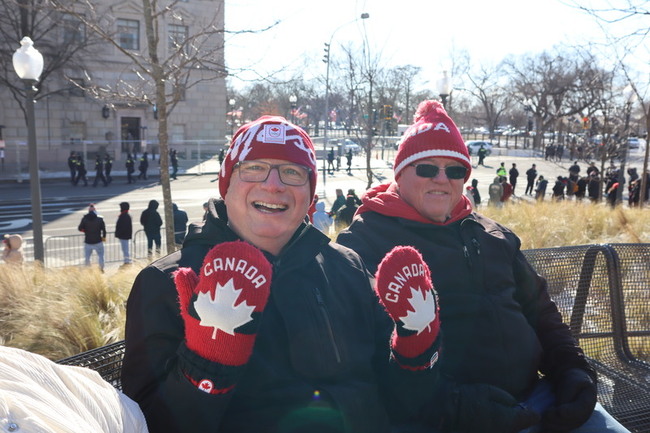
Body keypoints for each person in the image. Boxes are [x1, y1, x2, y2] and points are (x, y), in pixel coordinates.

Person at [121, 115, 441, 433]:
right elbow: (147, 423)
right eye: (254, 168)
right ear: (226, 185)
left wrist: (417, 348)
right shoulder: (165, 283)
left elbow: (406, 402)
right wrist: (206, 366)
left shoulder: (348, 268)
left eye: (292, 172)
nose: (273, 185)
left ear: (310, 195)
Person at [337, 100, 627, 433]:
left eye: (455, 170)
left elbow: (541, 312)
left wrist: (572, 370)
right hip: (445, 417)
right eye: (427, 168)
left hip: (540, 396)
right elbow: (367, 354)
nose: (442, 179)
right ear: (400, 174)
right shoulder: (364, 243)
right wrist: (456, 407)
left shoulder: (492, 233)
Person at [78, 203, 107, 271]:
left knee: (87, 257)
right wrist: (103, 239)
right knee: (101, 256)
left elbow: (80, 228)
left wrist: (85, 231)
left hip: (88, 241)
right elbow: (104, 231)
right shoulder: (100, 219)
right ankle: (101, 269)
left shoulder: (84, 219)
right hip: (98, 240)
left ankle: (88, 269)